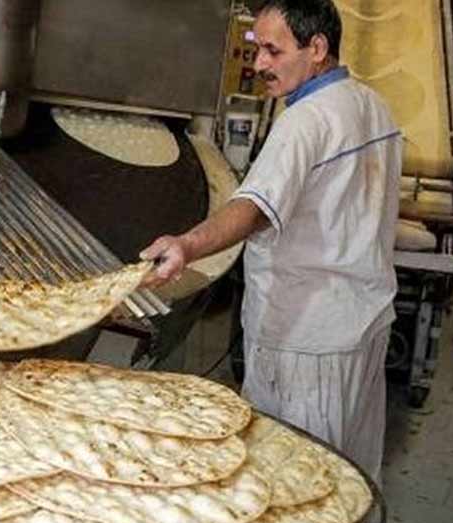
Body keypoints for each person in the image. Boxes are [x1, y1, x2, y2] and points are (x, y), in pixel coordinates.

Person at [141, 0, 400, 483]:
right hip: (361, 325)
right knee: (350, 478)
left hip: (305, 339)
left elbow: (254, 208)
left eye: (273, 52)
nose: (259, 64)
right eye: (257, 49)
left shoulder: (305, 122)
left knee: (292, 481)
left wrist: (188, 245)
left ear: (317, 48)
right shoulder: (372, 105)